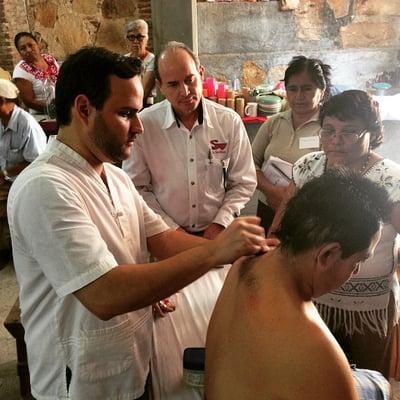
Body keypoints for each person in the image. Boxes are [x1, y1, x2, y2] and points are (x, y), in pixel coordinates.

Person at [7, 46, 270, 400]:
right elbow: (105, 293)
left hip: (128, 363)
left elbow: (163, 240)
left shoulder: (114, 178)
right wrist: (215, 254)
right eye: (126, 113)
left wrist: (242, 253)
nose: (139, 127)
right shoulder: (46, 187)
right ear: (84, 109)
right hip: (79, 382)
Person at [122, 41, 256, 399]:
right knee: (172, 340)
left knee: (225, 323)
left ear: (201, 75)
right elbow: (138, 187)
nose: (185, 92)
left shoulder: (227, 121)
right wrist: (171, 230)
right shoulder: (145, 126)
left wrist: (219, 225)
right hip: (167, 245)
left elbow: (244, 181)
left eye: (190, 80)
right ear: (160, 88)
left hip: (219, 242)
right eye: (173, 85)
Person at [205, 169, 392, 400]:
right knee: (380, 386)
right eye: (359, 261)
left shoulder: (246, 263)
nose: (356, 272)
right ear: (327, 255)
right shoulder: (319, 352)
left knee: (374, 382)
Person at [271, 90, 400, 378]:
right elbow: (280, 230)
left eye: (349, 131)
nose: (336, 139)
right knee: (314, 379)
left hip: (368, 309)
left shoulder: (390, 178)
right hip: (312, 299)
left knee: (366, 380)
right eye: (329, 130)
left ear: (373, 133)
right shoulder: (309, 167)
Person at [252, 56, 331, 231]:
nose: (299, 96)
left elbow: (330, 176)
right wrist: (272, 191)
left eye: (307, 89)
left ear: (322, 90)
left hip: (308, 216)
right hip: (268, 209)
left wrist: (291, 198)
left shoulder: (329, 127)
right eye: (293, 89)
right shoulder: (274, 123)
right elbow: (249, 164)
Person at [0, 79, 46, 267]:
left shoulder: (26, 124)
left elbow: (35, 162)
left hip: (26, 181)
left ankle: (12, 251)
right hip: (6, 179)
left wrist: (4, 174)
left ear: (1, 101)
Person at [13, 31, 59, 114]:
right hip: (42, 116)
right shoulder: (20, 71)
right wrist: (55, 109)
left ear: (37, 44)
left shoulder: (50, 59)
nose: (28, 50)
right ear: (19, 52)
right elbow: (29, 101)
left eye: (30, 45)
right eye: (23, 48)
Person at [125, 19, 156, 106]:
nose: (135, 41)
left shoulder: (152, 60)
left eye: (139, 37)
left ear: (147, 39)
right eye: (131, 37)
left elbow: (143, 91)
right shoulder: (123, 59)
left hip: (146, 105)